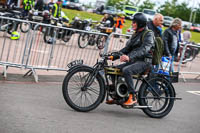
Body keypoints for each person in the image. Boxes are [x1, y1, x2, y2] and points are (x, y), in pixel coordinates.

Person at [106, 13, 155, 106]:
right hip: (135, 61)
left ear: (140, 23)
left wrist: (129, 57)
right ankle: (118, 96)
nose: (132, 24)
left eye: (134, 22)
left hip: (145, 62)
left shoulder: (149, 34)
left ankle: (132, 96)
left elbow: (145, 49)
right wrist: (113, 56)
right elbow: (126, 49)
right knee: (113, 70)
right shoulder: (136, 34)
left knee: (127, 70)